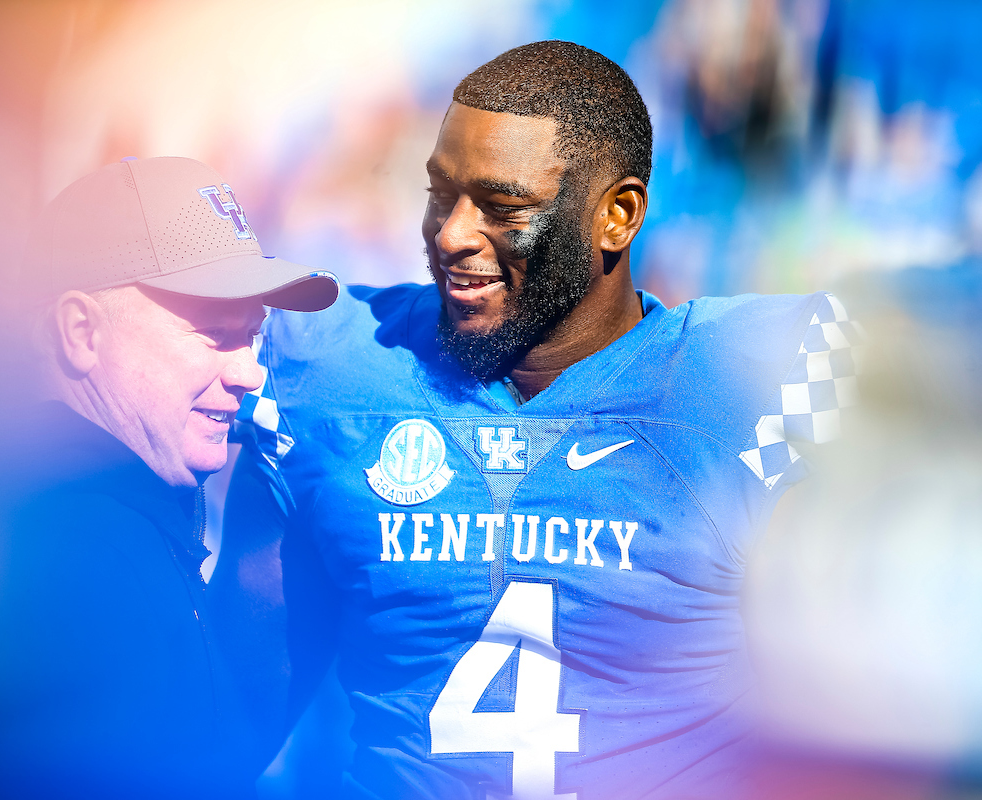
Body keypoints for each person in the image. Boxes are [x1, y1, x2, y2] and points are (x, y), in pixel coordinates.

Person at [212, 42, 864, 799]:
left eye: (502, 207)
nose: (451, 234)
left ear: (617, 216)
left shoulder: (757, 379)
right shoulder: (330, 369)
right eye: (441, 193)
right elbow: (220, 723)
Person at [0, 156, 337, 799]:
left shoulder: (108, 513)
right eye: (213, 333)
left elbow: (210, 749)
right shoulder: (52, 555)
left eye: (252, 335)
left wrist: (290, 528)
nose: (249, 372)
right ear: (80, 332)